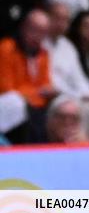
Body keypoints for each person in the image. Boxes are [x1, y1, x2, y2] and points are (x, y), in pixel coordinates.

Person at [0, 9, 56, 142]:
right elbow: (6, 89)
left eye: (43, 32)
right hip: (8, 107)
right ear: (24, 27)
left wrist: (43, 93)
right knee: (17, 102)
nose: (37, 36)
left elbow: (46, 85)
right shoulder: (6, 48)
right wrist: (37, 93)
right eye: (34, 30)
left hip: (34, 106)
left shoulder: (43, 54)